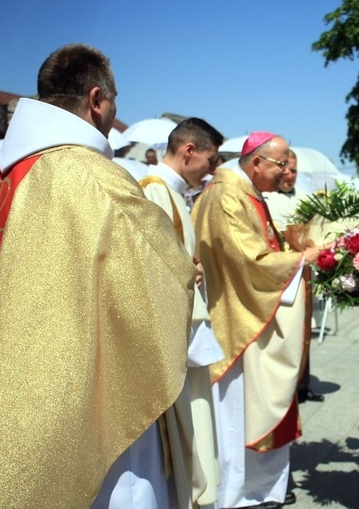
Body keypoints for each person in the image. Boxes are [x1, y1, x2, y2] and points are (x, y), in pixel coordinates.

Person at [0, 44, 197, 508]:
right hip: (78, 389)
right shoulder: (93, 175)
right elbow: (162, 271)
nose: (114, 109)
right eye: (114, 99)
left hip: (6, 375)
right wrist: (186, 271)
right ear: (96, 99)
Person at [192, 132, 320, 508]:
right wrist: (301, 260)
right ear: (256, 161)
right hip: (237, 317)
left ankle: (260, 489)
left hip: (253, 310)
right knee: (236, 415)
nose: (285, 171)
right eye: (281, 164)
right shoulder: (226, 195)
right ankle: (235, 496)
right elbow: (246, 259)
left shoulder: (249, 193)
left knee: (255, 408)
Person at [139, 117, 226, 507]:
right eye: (210, 159)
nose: (213, 168)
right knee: (187, 421)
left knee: (197, 418)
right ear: (189, 151)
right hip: (175, 329)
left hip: (186, 318)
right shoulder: (154, 191)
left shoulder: (173, 192)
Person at [264, 149, 323, 404]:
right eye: (286, 168)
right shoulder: (266, 198)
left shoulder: (307, 198)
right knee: (285, 327)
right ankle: (284, 384)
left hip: (304, 270)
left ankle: (303, 384)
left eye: (294, 170)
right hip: (281, 271)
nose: (290, 174)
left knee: (304, 326)